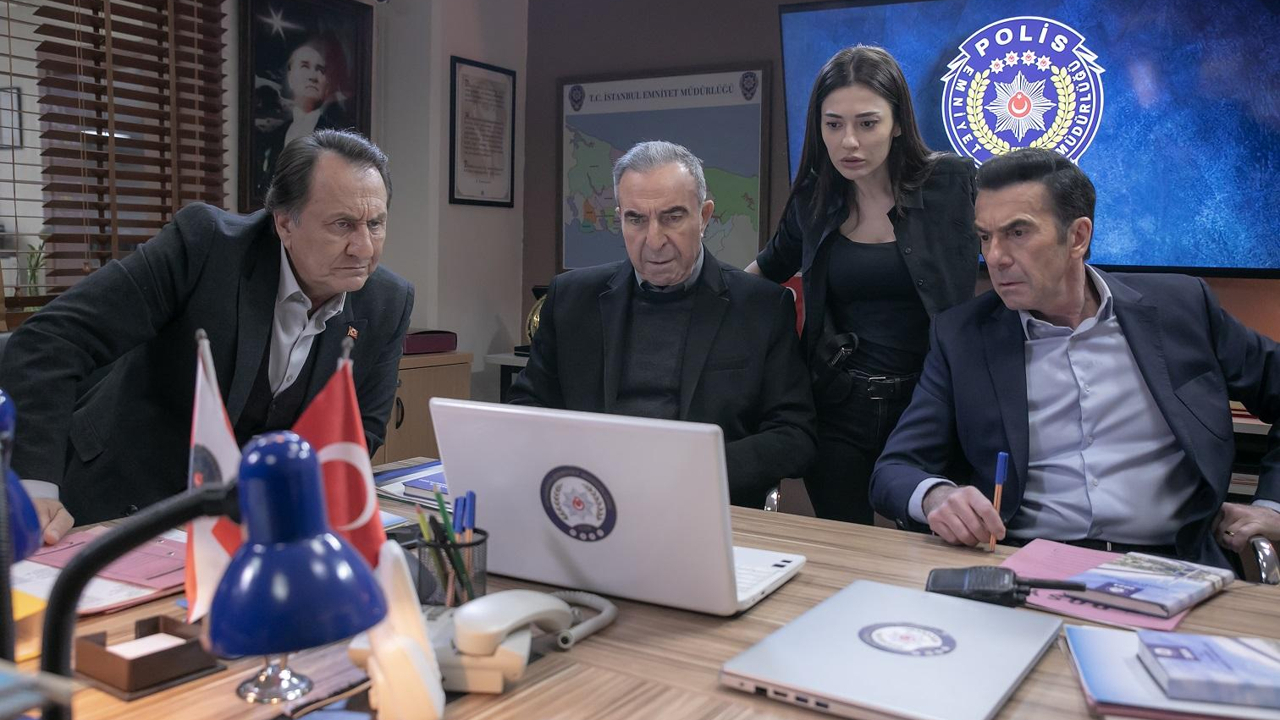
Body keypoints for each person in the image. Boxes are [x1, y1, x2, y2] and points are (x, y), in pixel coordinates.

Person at [869, 148, 1280, 569]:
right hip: (1025, 563)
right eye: (986, 237)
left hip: (1174, 564)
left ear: (1078, 237)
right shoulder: (963, 336)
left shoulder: (1182, 307)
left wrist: (1272, 506)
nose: (995, 257)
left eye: (1017, 233)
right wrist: (937, 496)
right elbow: (896, 469)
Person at [0, 129, 414, 537]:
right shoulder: (206, 247)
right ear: (285, 223)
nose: (364, 247)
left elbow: (359, 432)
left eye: (375, 224)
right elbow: (51, 339)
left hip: (252, 520)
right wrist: (35, 490)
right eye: (342, 224)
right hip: (119, 502)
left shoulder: (387, 301)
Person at [509, 140, 816, 508]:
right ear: (620, 218)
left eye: (672, 217)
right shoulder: (572, 299)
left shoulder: (760, 307)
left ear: (704, 217)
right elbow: (527, 408)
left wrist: (695, 468)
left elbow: (795, 435)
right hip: (591, 502)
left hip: (705, 504)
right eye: (636, 219)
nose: (654, 241)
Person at [746, 46, 979, 523]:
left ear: (897, 123)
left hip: (930, 404)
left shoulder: (952, 184)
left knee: (930, 543)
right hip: (838, 405)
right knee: (843, 546)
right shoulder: (814, 198)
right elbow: (763, 272)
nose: (848, 142)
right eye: (833, 125)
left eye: (867, 123)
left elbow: (1010, 248)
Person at [255, 37, 353, 201]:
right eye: (305, 66)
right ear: (290, 76)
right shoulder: (275, 135)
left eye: (320, 70)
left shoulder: (338, 139)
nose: (313, 76)